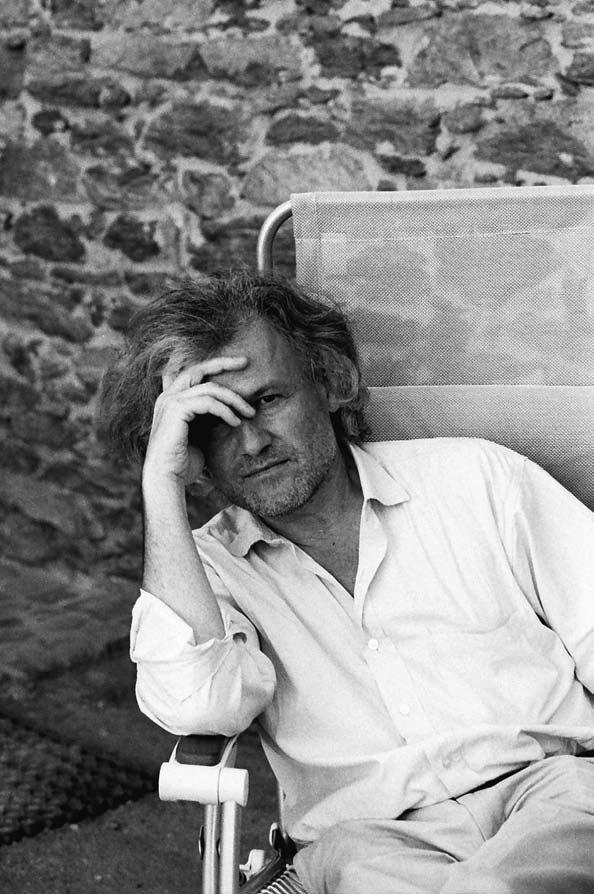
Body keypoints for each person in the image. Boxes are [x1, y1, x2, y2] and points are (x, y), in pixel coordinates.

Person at [99, 270, 594, 894]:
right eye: (213, 422)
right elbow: (197, 705)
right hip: (367, 840)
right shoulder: (206, 573)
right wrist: (160, 485)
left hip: (552, 795)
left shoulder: (476, 479)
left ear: (332, 381)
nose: (251, 442)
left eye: (267, 400)